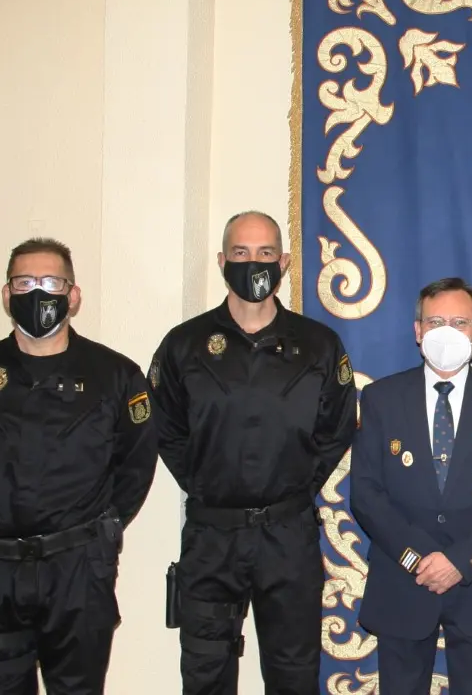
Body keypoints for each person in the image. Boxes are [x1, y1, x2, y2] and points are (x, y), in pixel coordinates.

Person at [0, 237, 157, 694]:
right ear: (6, 294)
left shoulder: (115, 375)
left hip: (78, 570)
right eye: (24, 283)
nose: (38, 293)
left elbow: (136, 462)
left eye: (51, 282)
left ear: (73, 296)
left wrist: (105, 528)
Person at [148, 211, 357, 695]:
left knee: (293, 674)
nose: (253, 263)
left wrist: (295, 487)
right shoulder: (184, 345)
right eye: (241, 253)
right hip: (212, 536)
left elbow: (336, 428)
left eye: (265, 253)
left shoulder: (318, 345)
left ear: (283, 262)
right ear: (222, 261)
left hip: (288, 535)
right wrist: (206, 483)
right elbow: (166, 429)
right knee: (205, 673)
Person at [351, 277, 472, 695]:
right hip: (402, 579)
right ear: (418, 331)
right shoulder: (381, 398)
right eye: (435, 322)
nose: (447, 332)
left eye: (459, 322)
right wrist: (418, 558)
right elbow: (366, 493)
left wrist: (461, 561)